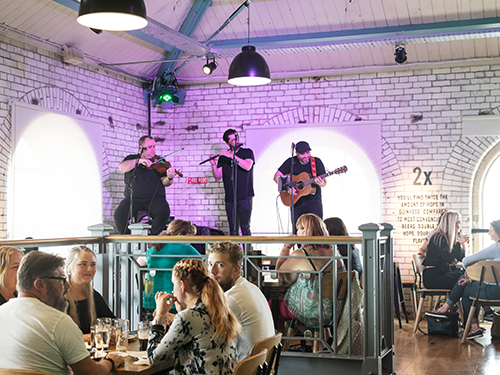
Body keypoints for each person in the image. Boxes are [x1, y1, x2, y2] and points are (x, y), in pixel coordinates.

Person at [0, 251, 124, 374]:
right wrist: (110, 361)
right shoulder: (58, 322)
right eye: (61, 280)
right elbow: (90, 372)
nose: (67, 285)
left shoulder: (2, 312)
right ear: (40, 284)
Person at [147, 259, 242, 374]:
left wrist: (159, 316)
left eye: (174, 284)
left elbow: (153, 358)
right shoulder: (220, 310)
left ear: (182, 286)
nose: (173, 290)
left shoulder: (188, 317)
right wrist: (182, 311)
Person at [425, 219, 500, 339]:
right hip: (494, 289)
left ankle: (473, 327)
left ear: (498, 233)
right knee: (466, 283)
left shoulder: (496, 247)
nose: (489, 234)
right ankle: (486, 314)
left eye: (491, 231)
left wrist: (468, 271)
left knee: (465, 291)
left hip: (494, 292)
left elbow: (466, 260)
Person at [207, 241, 275, 360]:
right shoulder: (249, 287)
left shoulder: (232, 298)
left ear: (235, 269)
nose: (212, 271)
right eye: (210, 263)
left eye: (220, 265)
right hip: (260, 368)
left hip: (243, 369)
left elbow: (207, 338)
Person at [276, 213, 345, 328]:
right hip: (336, 311)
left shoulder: (301, 254)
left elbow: (280, 278)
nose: (297, 232)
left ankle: (277, 344)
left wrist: (286, 247)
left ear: (304, 231)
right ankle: (319, 340)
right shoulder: (335, 251)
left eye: (299, 229)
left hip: (310, 313)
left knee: (271, 306)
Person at [114, 135, 176, 235]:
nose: (153, 150)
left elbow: (165, 182)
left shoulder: (160, 162)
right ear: (141, 148)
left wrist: (169, 177)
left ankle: (153, 239)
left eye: (154, 146)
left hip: (155, 199)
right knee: (119, 214)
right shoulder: (132, 159)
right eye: (150, 147)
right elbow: (122, 167)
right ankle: (127, 239)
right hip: (133, 199)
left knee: (164, 211)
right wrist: (138, 161)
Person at [141, 219, 202, 309]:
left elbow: (139, 261)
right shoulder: (185, 247)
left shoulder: (156, 247)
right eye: (190, 237)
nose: (190, 242)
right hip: (173, 301)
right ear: (180, 235)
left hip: (150, 300)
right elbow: (203, 263)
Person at [274, 141, 327, 233]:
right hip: (296, 201)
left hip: (313, 200)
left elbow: (324, 183)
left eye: (307, 152)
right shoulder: (290, 162)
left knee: (316, 229)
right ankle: (300, 247)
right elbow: (276, 176)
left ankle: (316, 247)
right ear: (296, 153)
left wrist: (320, 182)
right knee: (298, 230)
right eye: (302, 154)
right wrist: (287, 188)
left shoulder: (316, 162)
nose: (306, 155)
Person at [210, 129, 255, 235]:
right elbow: (217, 177)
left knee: (245, 226)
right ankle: (235, 251)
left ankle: (247, 251)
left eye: (237, 138)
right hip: (230, 197)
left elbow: (247, 166)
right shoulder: (223, 157)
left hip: (245, 196)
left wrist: (232, 156)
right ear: (227, 143)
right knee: (233, 228)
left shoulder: (247, 152)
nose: (237, 141)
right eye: (233, 140)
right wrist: (213, 165)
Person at [66, 246, 115, 334]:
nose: (89, 269)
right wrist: (92, 337)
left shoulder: (93, 295)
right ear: (68, 268)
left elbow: (112, 323)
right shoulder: (59, 298)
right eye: (83, 264)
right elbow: (60, 337)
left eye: (93, 265)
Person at [422, 210, 467, 289]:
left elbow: (461, 257)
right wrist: (458, 243)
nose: (459, 226)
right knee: (462, 279)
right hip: (433, 277)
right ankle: (451, 301)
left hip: (442, 273)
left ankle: (451, 301)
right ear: (452, 224)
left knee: (465, 276)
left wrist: (456, 240)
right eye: (458, 223)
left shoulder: (449, 238)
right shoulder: (438, 237)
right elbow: (448, 259)